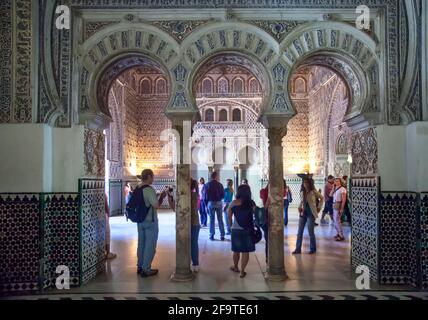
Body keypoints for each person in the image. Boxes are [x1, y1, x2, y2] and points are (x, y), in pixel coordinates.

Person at [136, 169, 164, 277]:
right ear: (148, 176)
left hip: (140, 220)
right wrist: (162, 196)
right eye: (152, 176)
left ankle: (140, 266)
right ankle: (146, 269)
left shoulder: (138, 188)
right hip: (149, 222)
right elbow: (156, 205)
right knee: (150, 245)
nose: (153, 179)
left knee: (141, 243)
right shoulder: (149, 189)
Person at [228, 184, 256, 278]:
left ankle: (236, 267)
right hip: (248, 229)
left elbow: (229, 216)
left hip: (236, 229)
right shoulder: (251, 203)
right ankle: (242, 271)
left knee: (236, 250)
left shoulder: (233, 203)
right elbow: (255, 215)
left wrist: (231, 225)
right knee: (245, 251)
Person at [293, 178, 324, 255]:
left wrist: (319, 207)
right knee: (299, 232)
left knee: (311, 232)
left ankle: (313, 248)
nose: (305, 184)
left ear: (310, 184)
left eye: (307, 183)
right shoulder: (302, 192)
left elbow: (322, 198)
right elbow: (302, 201)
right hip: (303, 213)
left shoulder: (313, 192)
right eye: (304, 183)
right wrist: (299, 207)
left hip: (311, 213)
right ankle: (298, 249)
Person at [204, 171, 225, 241]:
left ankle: (211, 235)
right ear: (216, 176)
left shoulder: (207, 185)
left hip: (211, 203)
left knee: (212, 220)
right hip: (219, 203)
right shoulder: (220, 185)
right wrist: (219, 199)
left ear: (211, 177)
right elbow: (223, 195)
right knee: (220, 220)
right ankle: (222, 235)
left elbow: (205, 196)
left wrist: (206, 204)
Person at [190, 179, 201, 272]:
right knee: (194, 243)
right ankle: (195, 264)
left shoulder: (187, 196)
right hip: (196, 222)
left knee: (187, 244)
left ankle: (187, 262)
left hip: (188, 223)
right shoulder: (196, 195)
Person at [104, 194, 117, 260]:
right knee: (107, 234)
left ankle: (102, 252)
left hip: (96, 217)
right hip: (103, 215)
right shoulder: (103, 194)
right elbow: (106, 207)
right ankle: (108, 253)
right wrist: (108, 215)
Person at [259, 184, 269, 263]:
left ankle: (267, 258)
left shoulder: (262, 191)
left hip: (265, 218)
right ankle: (268, 258)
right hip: (268, 218)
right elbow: (265, 207)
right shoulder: (271, 193)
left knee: (267, 240)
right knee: (269, 240)